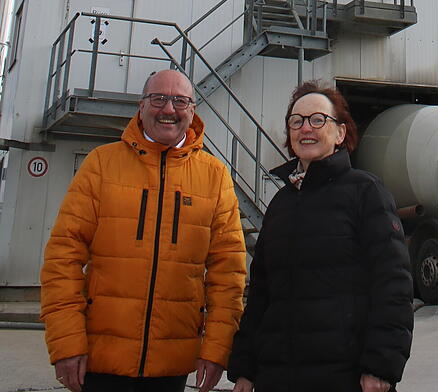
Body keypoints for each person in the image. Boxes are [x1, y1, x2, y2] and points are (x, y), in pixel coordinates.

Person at [40, 68, 246, 392]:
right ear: (141, 105)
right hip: (99, 361)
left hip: (172, 365)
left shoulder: (215, 176)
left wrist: (217, 348)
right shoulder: (101, 165)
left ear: (193, 110)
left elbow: (228, 273)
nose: (168, 109)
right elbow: (62, 257)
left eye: (180, 101)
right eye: (159, 99)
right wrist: (66, 341)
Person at [227, 81, 413, 392]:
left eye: (317, 120)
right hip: (278, 377)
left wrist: (381, 366)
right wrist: (246, 369)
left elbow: (393, 286)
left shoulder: (366, 192)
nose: (305, 129)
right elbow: (260, 295)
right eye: (296, 121)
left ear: (340, 133)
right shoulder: (280, 204)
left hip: (345, 377)